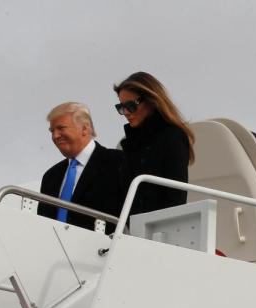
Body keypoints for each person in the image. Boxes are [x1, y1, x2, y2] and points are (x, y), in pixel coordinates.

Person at [114, 71, 194, 217]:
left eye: (131, 106)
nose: (126, 112)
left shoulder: (173, 136)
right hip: (130, 231)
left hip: (157, 232)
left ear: (151, 100)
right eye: (121, 107)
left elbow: (176, 197)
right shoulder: (128, 143)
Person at [40, 102, 124, 232]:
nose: (55, 136)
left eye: (61, 128)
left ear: (84, 129)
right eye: (52, 131)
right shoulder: (51, 176)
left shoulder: (118, 162)